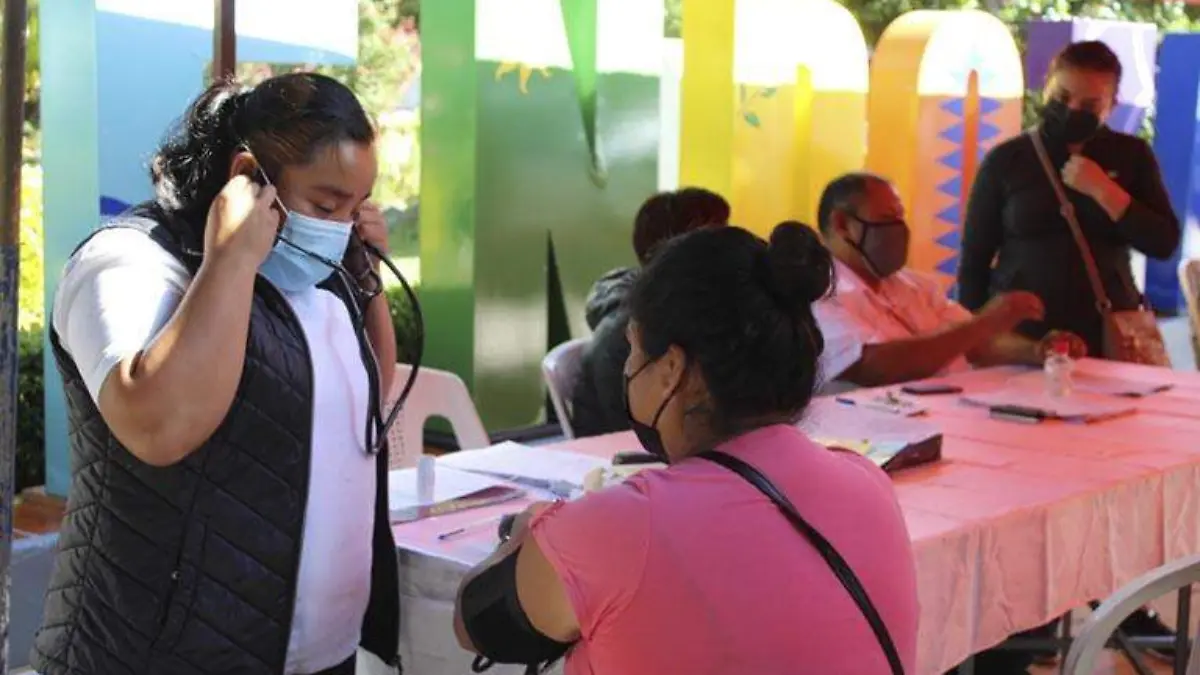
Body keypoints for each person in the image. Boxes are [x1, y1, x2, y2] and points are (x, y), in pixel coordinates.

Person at [32, 74, 401, 675]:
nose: (339, 227)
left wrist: (366, 276)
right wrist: (231, 257)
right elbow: (159, 426)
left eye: (355, 209)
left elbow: (366, 402)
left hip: (315, 654)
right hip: (155, 656)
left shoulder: (309, 270)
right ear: (248, 176)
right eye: (326, 206)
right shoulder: (129, 263)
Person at [455, 223, 920, 674]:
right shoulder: (869, 484)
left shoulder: (621, 526)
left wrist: (524, 534)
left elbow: (476, 623)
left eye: (634, 349)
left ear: (671, 369)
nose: (627, 369)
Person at [959, 40, 1180, 359]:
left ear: (1111, 106)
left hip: (1106, 331)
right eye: (1062, 97)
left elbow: (1163, 242)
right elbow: (975, 257)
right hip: (1022, 335)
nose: (1072, 109)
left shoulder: (1132, 155)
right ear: (1046, 87)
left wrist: (1106, 192)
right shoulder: (1008, 159)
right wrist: (973, 334)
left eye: (1089, 105)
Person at [813, 172, 1085, 390]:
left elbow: (977, 344)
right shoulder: (817, 292)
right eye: (886, 219)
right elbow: (873, 367)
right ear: (842, 224)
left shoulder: (916, 286)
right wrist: (986, 322)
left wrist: (1038, 351)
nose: (899, 230)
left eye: (900, 218)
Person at [569, 187, 730, 437]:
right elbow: (649, 437)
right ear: (676, 255)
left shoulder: (694, 314)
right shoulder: (627, 335)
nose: (733, 251)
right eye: (717, 242)